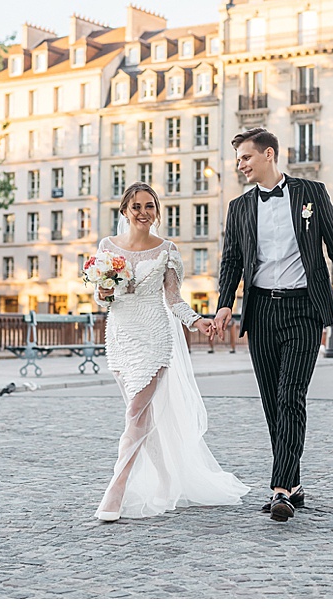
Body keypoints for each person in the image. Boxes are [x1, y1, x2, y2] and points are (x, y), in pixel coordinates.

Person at [214, 127, 333, 522]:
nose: (240, 165)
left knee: (290, 395)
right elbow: (231, 260)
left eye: (246, 157)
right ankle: (294, 486)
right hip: (261, 311)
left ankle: (279, 488)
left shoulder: (310, 193)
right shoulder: (240, 207)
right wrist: (224, 305)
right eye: (238, 159)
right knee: (271, 403)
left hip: (303, 309)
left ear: (268, 154)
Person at [93, 182, 249, 521]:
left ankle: (115, 490)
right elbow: (100, 297)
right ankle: (166, 479)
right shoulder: (107, 247)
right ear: (124, 211)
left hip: (154, 337)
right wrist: (107, 290)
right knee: (142, 418)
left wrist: (197, 322)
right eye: (136, 206)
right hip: (120, 336)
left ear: (157, 212)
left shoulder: (166, 250)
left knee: (135, 412)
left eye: (150, 206)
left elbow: (173, 300)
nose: (143, 212)